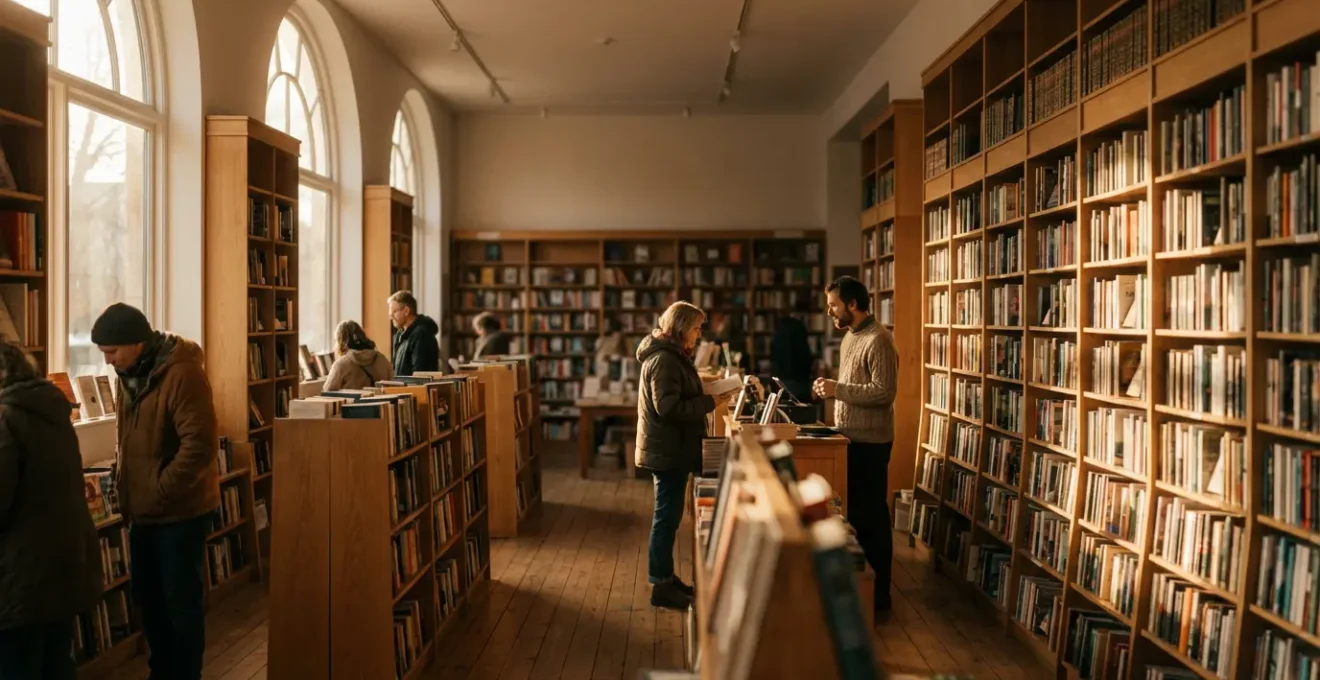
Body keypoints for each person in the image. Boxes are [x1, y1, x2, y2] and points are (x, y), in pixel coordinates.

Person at [92, 302, 218, 680]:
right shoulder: (128, 376)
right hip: (143, 513)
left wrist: (159, 491)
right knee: (149, 601)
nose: (108, 362)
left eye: (112, 352)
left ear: (137, 343)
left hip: (179, 512)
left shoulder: (182, 375)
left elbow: (199, 446)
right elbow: (129, 438)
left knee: (180, 606)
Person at [0, 341, 103, 679]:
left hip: (21, 575)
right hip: (64, 563)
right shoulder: (52, 411)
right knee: (55, 661)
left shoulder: (5, 418)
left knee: (19, 666)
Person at [635, 301, 736, 610]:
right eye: (696, 328)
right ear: (680, 328)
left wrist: (705, 388)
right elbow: (668, 408)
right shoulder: (665, 360)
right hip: (668, 450)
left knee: (669, 517)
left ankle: (665, 577)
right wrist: (712, 402)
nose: (699, 334)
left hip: (672, 448)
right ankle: (660, 586)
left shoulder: (672, 355)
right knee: (665, 519)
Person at [813, 276, 898, 615]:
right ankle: (860, 594)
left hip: (871, 443)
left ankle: (880, 598)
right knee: (856, 519)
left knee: (873, 520)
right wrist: (832, 388)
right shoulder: (850, 337)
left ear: (852, 304)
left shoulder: (878, 340)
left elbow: (883, 392)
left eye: (833, 304)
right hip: (848, 439)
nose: (829, 310)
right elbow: (850, 385)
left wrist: (838, 390)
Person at [324, 320, 394, 390]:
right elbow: (393, 386)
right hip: (382, 400)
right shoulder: (383, 360)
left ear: (341, 342)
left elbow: (327, 392)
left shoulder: (340, 365)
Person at [387, 290, 440, 376]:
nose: (391, 317)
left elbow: (420, 375)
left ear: (406, 311)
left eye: (395, 311)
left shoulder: (421, 335)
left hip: (414, 389)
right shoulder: (400, 335)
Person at [770, 310, 815, 403]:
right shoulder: (798, 328)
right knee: (802, 410)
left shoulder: (779, 330)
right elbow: (805, 356)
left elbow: (773, 355)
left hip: (782, 378)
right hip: (799, 379)